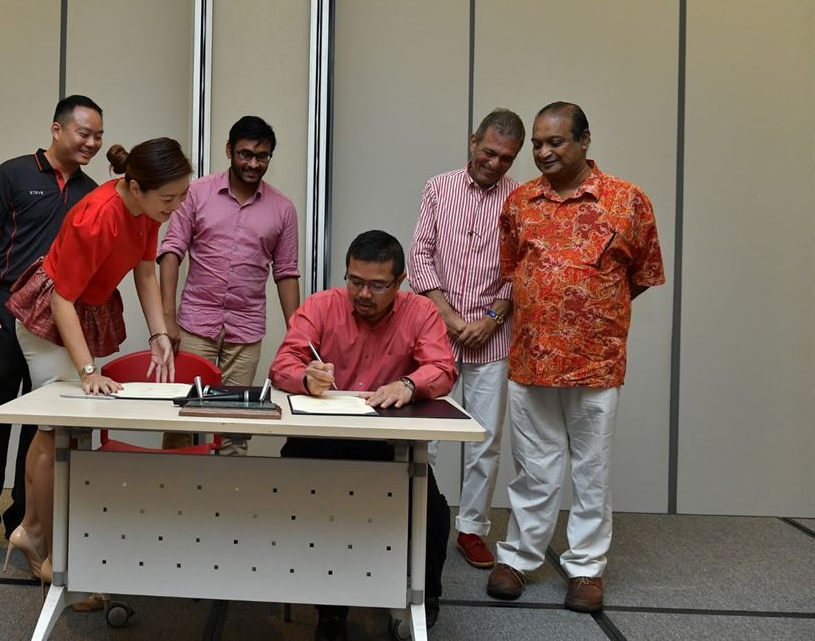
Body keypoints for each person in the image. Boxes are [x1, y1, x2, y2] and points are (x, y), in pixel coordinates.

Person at [486, 102, 664, 614]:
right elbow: (515, 271)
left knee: (592, 471)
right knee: (533, 469)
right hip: (532, 359)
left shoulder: (627, 201)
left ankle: (586, 569)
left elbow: (640, 275)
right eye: (537, 143)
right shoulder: (520, 202)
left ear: (585, 140)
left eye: (555, 142)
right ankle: (518, 558)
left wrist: (592, 309)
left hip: (594, 362)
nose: (543, 152)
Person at [4, 137, 192, 602]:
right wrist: (89, 370)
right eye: (169, 198)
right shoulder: (98, 215)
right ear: (136, 186)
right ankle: (57, 559)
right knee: (59, 431)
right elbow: (61, 299)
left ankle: (34, 532)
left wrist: (159, 334)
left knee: (56, 433)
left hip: (78, 311)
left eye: (182, 196)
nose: (175, 207)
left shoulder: (147, 212)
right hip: (51, 316)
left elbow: (145, 271)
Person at [269, 230, 458, 641]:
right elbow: (283, 363)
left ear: (400, 281)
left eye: (377, 285)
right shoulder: (322, 305)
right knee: (321, 510)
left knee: (432, 512)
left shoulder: (421, 312)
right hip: (321, 441)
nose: (363, 294)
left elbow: (443, 368)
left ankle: (421, 599)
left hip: (388, 443)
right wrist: (306, 377)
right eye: (355, 281)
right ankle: (330, 611)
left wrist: (409, 384)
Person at [0, 95, 103, 570]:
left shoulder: (92, 191)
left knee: (41, 423)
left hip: (56, 315)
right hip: (4, 307)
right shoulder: (13, 173)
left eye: (99, 136)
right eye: (84, 133)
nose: (92, 143)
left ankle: (26, 520)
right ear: (57, 130)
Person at [407, 108, 525, 570]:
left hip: (492, 337)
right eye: (489, 152)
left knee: (485, 439)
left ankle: (472, 528)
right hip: (436, 332)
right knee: (426, 435)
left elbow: (521, 270)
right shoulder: (438, 187)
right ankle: (422, 515)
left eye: (506, 158)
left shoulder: (521, 199)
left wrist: (492, 318)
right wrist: (450, 317)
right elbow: (420, 256)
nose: (494, 163)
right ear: (473, 141)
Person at [158, 115, 300, 453]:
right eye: (245, 154)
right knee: (182, 419)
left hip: (245, 332)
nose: (253, 163)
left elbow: (286, 272)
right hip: (195, 325)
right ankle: (173, 485)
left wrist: (297, 334)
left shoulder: (283, 209)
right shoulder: (196, 193)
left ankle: (228, 486)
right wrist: (167, 320)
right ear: (229, 150)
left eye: (262, 156)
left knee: (236, 426)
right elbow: (171, 252)